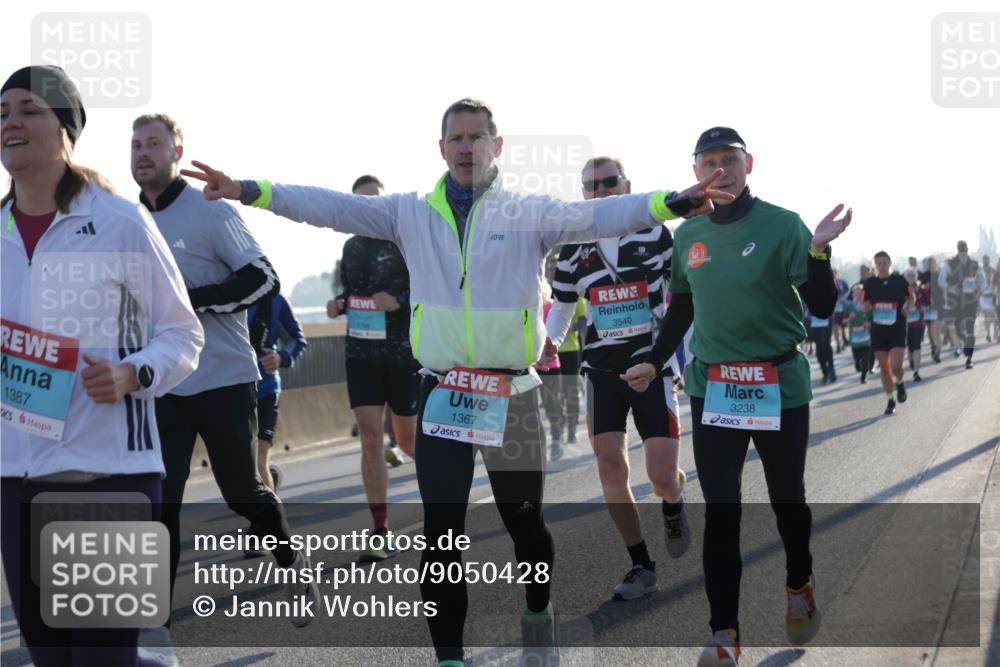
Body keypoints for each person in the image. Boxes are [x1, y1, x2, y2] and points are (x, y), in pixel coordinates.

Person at [180, 98, 732, 667]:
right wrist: (248, 189)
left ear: (497, 147)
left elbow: (598, 216)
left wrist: (672, 201)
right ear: (441, 149)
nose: (466, 147)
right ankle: (449, 658)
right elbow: (329, 207)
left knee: (525, 524)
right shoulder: (408, 212)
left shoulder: (526, 212)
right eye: (456, 138)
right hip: (444, 392)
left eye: (477, 137)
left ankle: (537, 615)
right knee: (441, 533)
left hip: (512, 392)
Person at [621, 126, 851, 666]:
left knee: (786, 501)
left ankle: (799, 582)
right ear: (695, 170)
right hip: (715, 387)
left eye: (729, 160)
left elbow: (820, 306)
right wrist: (654, 361)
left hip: (778, 383)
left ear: (749, 163)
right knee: (722, 511)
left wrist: (817, 251)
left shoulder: (781, 224)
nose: (719, 171)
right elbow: (681, 306)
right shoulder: (687, 234)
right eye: (709, 163)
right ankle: (724, 632)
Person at [1, 65, 203, 666]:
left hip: (110, 477)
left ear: (67, 127)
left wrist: (132, 373)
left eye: (29, 109)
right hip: (17, 482)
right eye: (3, 111)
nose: (11, 121)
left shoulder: (119, 222)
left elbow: (182, 334)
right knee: (52, 660)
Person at [131, 113, 318, 647]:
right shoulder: (124, 220)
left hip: (223, 377)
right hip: (162, 383)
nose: (143, 153)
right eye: (136, 145)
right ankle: (154, 629)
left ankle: (289, 560)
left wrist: (192, 302)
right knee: (160, 501)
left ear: (177, 151)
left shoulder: (209, 210)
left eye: (154, 144)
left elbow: (264, 278)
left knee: (241, 491)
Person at [543, 156, 691, 601]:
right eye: (592, 186)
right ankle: (640, 564)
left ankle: (673, 500)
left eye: (609, 182)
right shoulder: (573, 246)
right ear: (583, 194)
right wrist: (549, 342)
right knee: (610, 463)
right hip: (602, 370)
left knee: (662, 475)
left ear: (626, 185)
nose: (602, 191)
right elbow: (565, 305)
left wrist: (682, 355)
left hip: (652, 367)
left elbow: (682, 295)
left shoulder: (656, 234)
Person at [325, 174, 420, 562]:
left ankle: (449, 499)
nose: (367, 210)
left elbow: (430, 289)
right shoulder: (349, 248)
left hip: (402, 355)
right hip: (361, 354)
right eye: (359, 204)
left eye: (373, 202)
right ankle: (380, 529)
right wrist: (339, 303)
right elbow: (352, 292)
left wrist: (398, 299)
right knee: (369, 437)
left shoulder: (403, 243)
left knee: (410, 443)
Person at [247, 292, 308, 491]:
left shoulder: (274, 300)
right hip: (232, 389)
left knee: (259, 457)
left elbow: (297, 340)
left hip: (266, 389)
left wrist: (281, 357)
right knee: (242, 462)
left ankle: (270, 519)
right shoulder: (220, 291)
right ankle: (269, 483)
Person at [861, 251, 914, 415]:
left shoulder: (899, 280)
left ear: (890, 263)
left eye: (885, 263)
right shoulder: (869, 283)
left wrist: (907, 307)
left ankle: (899, 382)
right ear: (875, 265)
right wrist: (866, 307)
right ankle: (890, 399)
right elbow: (863, 302)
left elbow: (911, 297)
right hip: (878, 330)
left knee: (896, 366)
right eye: (879, 263)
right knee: (884, 368)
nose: (882, 266)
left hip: (897, 327)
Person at [938, 241, 985, 369]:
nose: (963, 250)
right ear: (957, 249)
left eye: (964, 248)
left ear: (968, 249)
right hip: (956, 302)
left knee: (970, 329)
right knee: (958, 329)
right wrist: (950, 288)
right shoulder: (949, 263)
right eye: (960, 248)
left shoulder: (975, 264)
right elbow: (941, 281)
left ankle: (969, 358)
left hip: (971, 301)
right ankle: (964, 341)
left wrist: (979, 290)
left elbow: (982, 280)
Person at [904, 269, 929, 382]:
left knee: (917, 344)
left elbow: (928, 301)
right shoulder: (901, 289)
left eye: (913, 275)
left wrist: (923, 307)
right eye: (908, 275)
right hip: (905, 324)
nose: (911, 277)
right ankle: (912, 362)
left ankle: (916, 371)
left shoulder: (921, 289)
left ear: (916, 276)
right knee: (910, 347)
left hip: (919, 321)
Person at [846, 284, 872, 383]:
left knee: (866, 359)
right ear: (852, 294)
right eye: (855, 293)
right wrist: (847, 320)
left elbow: (871, 317)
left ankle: (863, 377)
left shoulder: (866, 305)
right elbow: (844, 319)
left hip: (866, 338)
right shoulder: (849, 307)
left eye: (859, 293)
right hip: (855, 338)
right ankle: (857, 363)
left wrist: (869, 323)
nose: (857, 295)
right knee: (857, 357)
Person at [919, 257, 944, 362]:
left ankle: (938, 351)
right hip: (927, 307)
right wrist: (924, 286)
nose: (931, 265)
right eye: (929, 264)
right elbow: (918, 287)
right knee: (930, 332)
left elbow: (946, 288)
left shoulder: (940, 275)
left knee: (936, 330)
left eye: (933, 263)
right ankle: (933, 347)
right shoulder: (923, 276)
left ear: (936, 264)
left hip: (939, 305)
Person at [808, 307, 835, 384]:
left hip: (826, 319)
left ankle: (831, 367)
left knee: (825, 344)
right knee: (818, 347)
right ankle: (825, 372)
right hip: (814, 322)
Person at [980, 255, 996, 343]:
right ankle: (988, 334)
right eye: (984, 259)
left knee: (993, 316)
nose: (985, 261)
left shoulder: (993, 270)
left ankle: (995, 332)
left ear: (989, 260)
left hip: (992, 296)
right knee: (986, 316)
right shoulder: (979, 271)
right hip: (983, 296)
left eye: (987, 259)